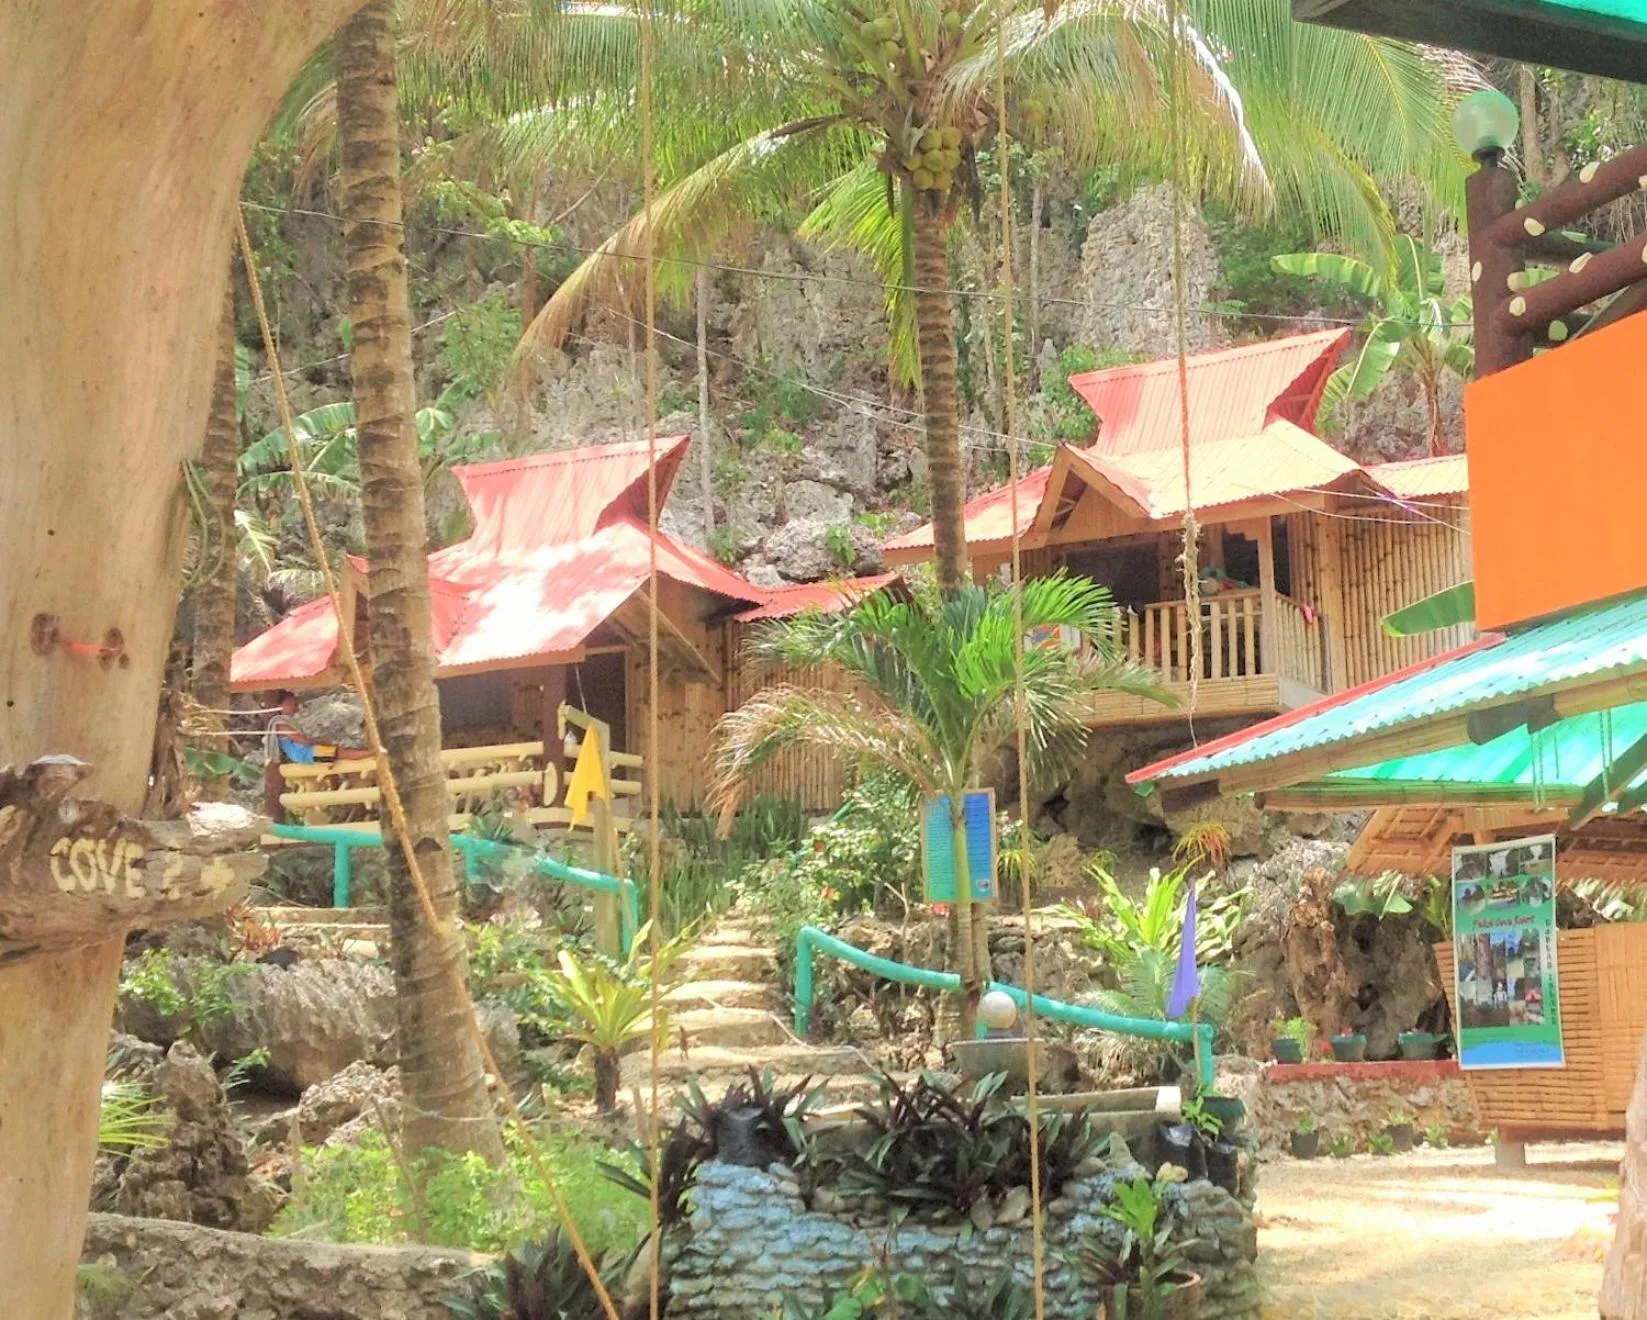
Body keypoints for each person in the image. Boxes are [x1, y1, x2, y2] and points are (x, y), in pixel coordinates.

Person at [262, 691, 373, 818]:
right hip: (305, 753)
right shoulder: (281, 724)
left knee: (339, 754)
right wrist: (324, 744)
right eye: (291, 703)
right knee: (340, 753)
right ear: (281, 705)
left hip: (306, 752)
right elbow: (302, 740)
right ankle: (372, 754)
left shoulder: (287, 721)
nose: (295, 706)